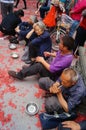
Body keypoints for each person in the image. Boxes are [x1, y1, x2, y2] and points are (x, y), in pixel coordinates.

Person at [8, 35, 74, 81]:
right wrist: (50, 54)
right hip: (52, 65)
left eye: (61, 43)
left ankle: (20, 75)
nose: (58, 44)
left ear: (65, 47)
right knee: (39, 57)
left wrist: (42, 61)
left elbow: (52, 69)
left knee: (40, 64)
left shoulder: (67, 59)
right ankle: (29, 69)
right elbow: (58, 54)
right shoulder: (63, 51)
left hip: (53, 75)